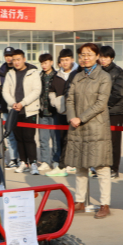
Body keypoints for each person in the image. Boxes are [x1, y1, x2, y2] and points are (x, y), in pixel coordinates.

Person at [65, 43, 113, 219]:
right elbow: (69, 99)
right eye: (82, 55)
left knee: (101, 167)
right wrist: (72, 116)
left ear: (97, 56)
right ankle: (79, 201)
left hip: (96, 126)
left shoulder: (104, 77)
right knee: (80, 166)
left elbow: (101, 103)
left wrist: (81, 117)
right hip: (78, 126)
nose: (85, 58)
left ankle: (104, 204)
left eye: (89, 54)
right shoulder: (77, 77)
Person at [2, 49, 42, 175]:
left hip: (29, 110)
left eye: (18, 59)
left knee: (29, 138)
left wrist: (22, 103)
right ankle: (23, 162)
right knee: (19, 138)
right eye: (14, 60)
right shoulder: (10, 74)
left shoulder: (33, 72)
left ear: (24, 59)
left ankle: (33, 163)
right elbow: (5, 91)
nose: (16, 62)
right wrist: (12, 103)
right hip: (14, 111)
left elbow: (36, 90)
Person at [46, 48, 78, 177]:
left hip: (74, 113)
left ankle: (72, 164)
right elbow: (51, 91)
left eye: (67, 60)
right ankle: (64, 164)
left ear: (72, 60)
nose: (65, 63)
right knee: (62, 138)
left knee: (74, 138)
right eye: (62, 60)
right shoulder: (57, 76)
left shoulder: (77, 74)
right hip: (61, 112)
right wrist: (55, 102)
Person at [99, 46, 123, 179]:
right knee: (102, 140)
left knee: (114, 142)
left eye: (106, 57)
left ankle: (114, 169)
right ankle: (102, 167)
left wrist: (103, 104)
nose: (103, 60)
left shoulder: (118, 72)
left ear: (111, 58)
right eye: (101, 57)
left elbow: (119, 93)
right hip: (101, 110)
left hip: (115, 111)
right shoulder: (97, 70)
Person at [37, 53, 62, 172]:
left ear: (51, 62)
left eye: (45, 62)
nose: (44, 65)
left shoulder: (57, 76)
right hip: (43, 112)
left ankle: (56, 161)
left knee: (56, 139)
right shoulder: (39, 76)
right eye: (42, 63)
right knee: (43, 139)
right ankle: (45, 161)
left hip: (54, 113)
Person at [0, 47, 19, 168]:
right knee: (9, 134)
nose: (9, 58)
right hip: (6, 106)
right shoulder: (1, 70)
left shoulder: (19, 68)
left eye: (11, 55)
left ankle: (21, 158)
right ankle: (13, 158)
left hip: (19, 106)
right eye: (7, 56)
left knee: (19, 134)